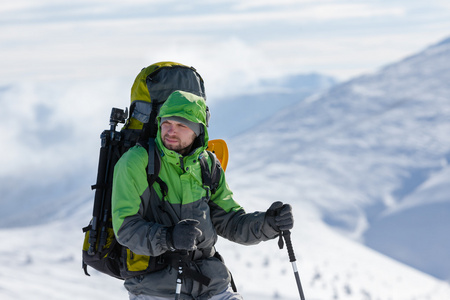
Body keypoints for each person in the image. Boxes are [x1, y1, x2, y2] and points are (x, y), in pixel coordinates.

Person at [112, 90, 294, 300]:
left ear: (198, 131)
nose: (171, 131)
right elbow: (126, 229)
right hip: (156, 287)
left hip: (211, 283)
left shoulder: (207, 164)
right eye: (167, 123)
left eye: (182, 125)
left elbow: (230, 222)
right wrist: (169, 237)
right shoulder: (136, 162)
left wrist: (268, 223)